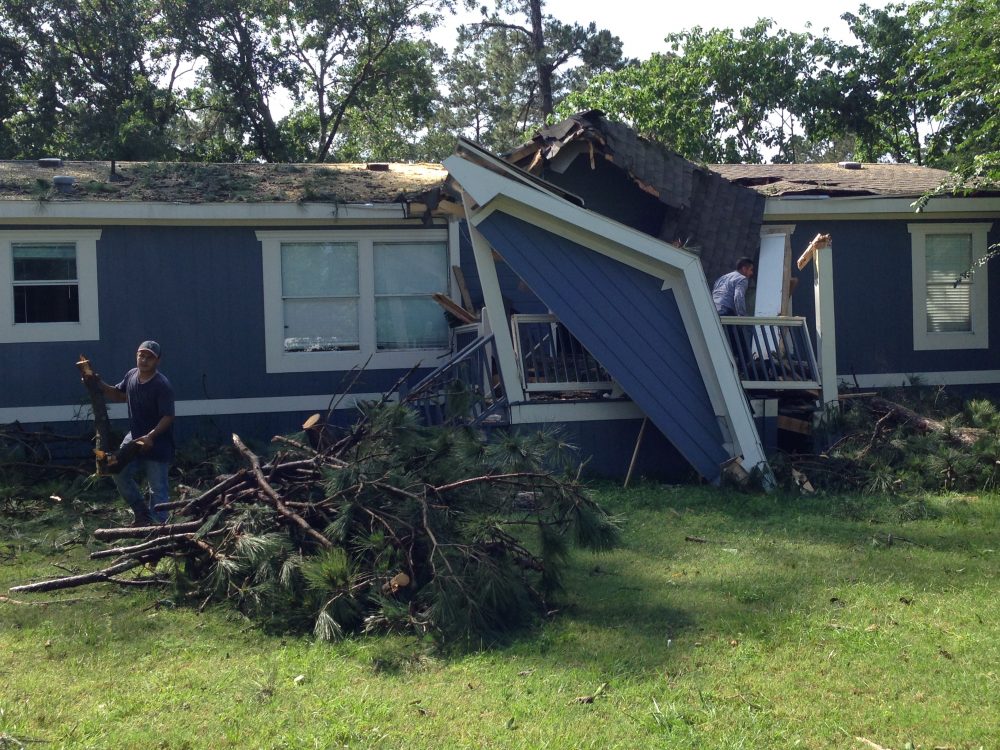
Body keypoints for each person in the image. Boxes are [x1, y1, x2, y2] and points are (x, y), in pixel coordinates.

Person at [87, 340, 175, 526]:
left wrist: (150, 436)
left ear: (157, 360)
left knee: (157, 489)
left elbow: (168, 416)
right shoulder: (132, 375)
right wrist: (99, 383)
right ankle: (141, 514)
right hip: (134, 437)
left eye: (149, 357)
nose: (143, 360)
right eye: (141, 355)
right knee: (115, 470)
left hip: (157, 442)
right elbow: (119, 395)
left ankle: (160, 528)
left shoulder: (162, 385)